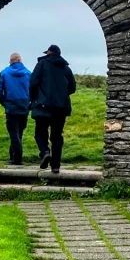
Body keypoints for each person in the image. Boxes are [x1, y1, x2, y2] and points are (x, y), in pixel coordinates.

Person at [30, 44, 76, 173]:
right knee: (56, 137)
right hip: (61, 108)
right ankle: (55, 166)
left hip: (43, 106)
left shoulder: (42, 64)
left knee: (40, 132)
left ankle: (45, 152)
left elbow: (33, 82)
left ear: (49, 52)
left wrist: (34, 98)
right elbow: (72, 87)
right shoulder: (65, 67)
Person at [0, 52, 32, 165]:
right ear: (20, 60)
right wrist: (30, 103)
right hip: (24, 105)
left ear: (10, 61)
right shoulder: (28, 73)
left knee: (13, 132)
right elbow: (34, 89)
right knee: (19, 131)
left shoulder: (4, 73)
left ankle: (17, 157)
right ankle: (13, 156)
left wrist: (4, 103)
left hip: (11, 105)